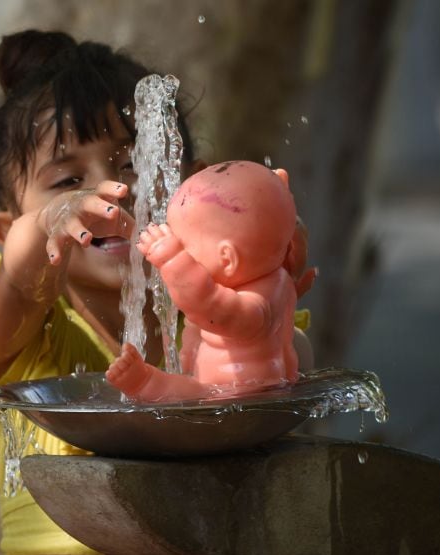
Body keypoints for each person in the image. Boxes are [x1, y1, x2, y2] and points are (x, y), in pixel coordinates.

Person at [0, 30, 248, 555]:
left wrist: (264, 302)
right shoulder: (27, 338)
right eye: (66, 181)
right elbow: (19, 280)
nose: (113, 191)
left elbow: (292, 369)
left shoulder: (222, 318)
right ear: (7, 228)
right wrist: (50, 226)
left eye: (137, 162)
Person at [107, 160, 306, 401]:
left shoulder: (255, 306)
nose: (178, 247)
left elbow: (212, 306)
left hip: (241, 394)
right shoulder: (274, 276)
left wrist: (172, 259)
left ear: (227, 259)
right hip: (244, 387)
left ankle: (144, 383)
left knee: (185, 394)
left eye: (184, 245)